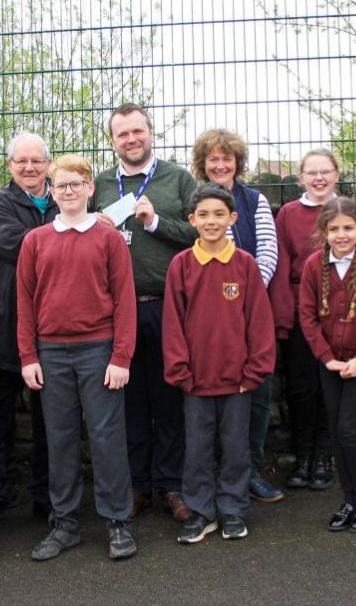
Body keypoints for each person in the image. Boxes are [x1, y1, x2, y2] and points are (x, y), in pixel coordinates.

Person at [17, 155, 138, 562]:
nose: (68, 191)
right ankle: (65, 523)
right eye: (61, 185)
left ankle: (118, 521)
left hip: (99, 350)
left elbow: (125, 301)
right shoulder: (36, 241)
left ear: (90, 188)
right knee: (60, 439)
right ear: (52, 192)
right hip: (50, 353)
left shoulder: (109, 240)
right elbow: (25, 303)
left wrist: (121, 357)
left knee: (106, 439)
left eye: (76, 184)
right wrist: (28, 355)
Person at [90, 103, 197, 522]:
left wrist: (155, 223)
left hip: (168, 307)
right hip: (118, 312)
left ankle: (173, 486)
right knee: (128, 404)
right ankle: (136, 487)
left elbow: (199, 230)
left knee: (170, 400)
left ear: (150, 132)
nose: (131, 139)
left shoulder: (178, 179)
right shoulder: (99, 184)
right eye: (122, 134)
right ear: (113, 141)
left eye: (138, 131)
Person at [163, 184, 276, 544]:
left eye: (219, 214)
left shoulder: (244, 264)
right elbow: (173, 324)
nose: (212, 221)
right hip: (196, 380)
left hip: (238, 381)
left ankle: (232, 509)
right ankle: (201, 511)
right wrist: (180, 370)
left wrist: (254, 371)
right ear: (192, 220)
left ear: (233, 218)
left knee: (235, 446)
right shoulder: (181, 265)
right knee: (196, 447)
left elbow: (259, 322)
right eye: (204, 215)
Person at [191, 128, 283, 503]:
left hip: (249, 312)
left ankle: (251, 472)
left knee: (257, 395)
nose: (220, 164)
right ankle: (214, 475)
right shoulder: (194, 198)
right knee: (210, 401)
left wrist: (243, 297)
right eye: (212, 159)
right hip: (206, 322)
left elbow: (268, 253)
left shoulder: (255, 201)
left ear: (237, 162)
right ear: (203, 164)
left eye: (226, 159)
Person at [0, 132, 58, 531]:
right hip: (6, 327)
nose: (29, 168)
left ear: (48, 163)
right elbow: (10, 244)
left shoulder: (64, 198)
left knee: (52, 423)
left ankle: (48, 499)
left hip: (55, 330)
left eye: (36, 161)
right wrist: (64, 240)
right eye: (20, 161)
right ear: (9, 165)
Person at [298, 199, 356, 533]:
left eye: (348, 228)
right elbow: (307, 317)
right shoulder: (313, 265)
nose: (341, 235)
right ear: (323, 232)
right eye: (334, 229)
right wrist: (327, 358)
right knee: (337, 431)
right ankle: (349, 499)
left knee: (348, 429)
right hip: (330, 361)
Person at [269, 149, 339, 491]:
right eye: (312, 173)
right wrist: (284, 314)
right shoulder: (288, 214)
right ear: (301, 178)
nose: (319, 178)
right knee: (300, 388)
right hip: (299, 310)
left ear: (336, 174)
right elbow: (281, 266)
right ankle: (303, 456)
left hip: (338, 313)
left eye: (325, 171)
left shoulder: (345, 211)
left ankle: (324, 456)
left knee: (329, 386)